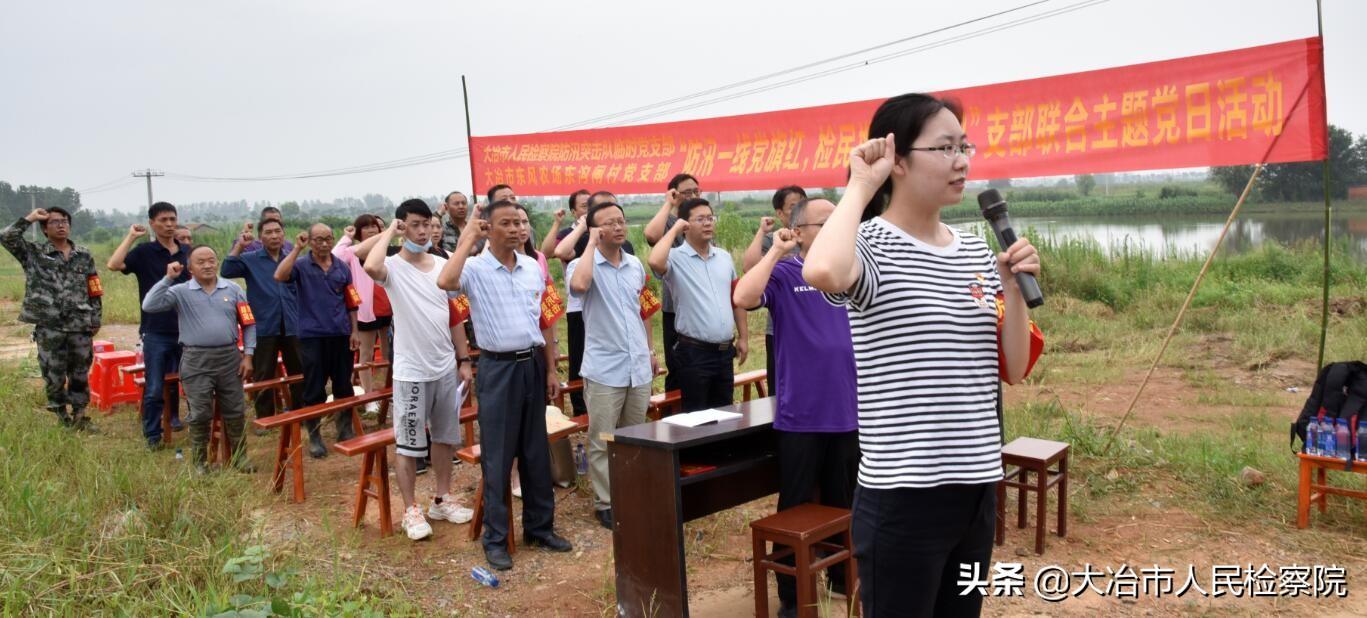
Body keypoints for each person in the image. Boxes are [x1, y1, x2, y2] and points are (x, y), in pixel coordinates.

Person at [802, 93, 1041, 617]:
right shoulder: (871, 245)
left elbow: (1016, 368)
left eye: (965, 146)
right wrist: (862, 184)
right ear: (900, 161)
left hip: (976, 485)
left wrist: (1015, 292)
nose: (962, 160)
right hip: (903, 495)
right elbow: (821, 271)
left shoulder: (977, 248)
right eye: (945, 147)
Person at [733, 198, 857, 615]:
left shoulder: (849, 271)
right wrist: (775, 250)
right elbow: (744, 296)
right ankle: (792, 594)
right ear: (798, 230)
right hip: (802, 413)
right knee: (796, 505)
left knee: (845, 499)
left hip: (849, 410)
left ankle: (843, 578)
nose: (837, 227)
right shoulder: (787, 273)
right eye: (826, 222)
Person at [437, 200, 572, 571]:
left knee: (535, 453)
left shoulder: (532, 267)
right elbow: (446, 282)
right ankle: (495, 540)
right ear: (488, 228)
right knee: (497, 457)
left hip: (532, 364)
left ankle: (540, 528)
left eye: (520, 223)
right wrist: (467, 240)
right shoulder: (476, 268)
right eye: (506, 223)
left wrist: (550, 369)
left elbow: (543, 322)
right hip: (497, 368)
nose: (516, 229)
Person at [364, 199, 475, 541]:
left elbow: (454, 315)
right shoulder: (392, 268)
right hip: (411, 371)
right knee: (410, 443)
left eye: (427, 224)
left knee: (444, 437)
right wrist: (388, 233)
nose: (423, 230)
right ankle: (411, 508)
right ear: (401, 226)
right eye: (414, 224)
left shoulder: (442, 262)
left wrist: (464, 359)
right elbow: (369, 266)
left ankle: (441, 498)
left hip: (444, 367)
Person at [568, 200, 658, 530]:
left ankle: (632, 491)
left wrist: (649, 351)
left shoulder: (634, 265)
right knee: (604, 438)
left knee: (635, 435)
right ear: (596, 229)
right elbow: (579, 287)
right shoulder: (581, 265)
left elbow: (642, 311)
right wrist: (590, 243)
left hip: (636, 364)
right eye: (610, 223)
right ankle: (606, 501)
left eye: (621, 221)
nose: (618, 227)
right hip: (605, 368)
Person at [142, 246, 256, 474]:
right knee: (201, 412)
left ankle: (240, 457)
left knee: (235, 409)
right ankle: (200, 462)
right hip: (196, 359)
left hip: (229, 358)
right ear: (190, 267)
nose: (207, 265)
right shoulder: (181, 291)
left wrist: (248, 355)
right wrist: (167, 278)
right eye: (200, 262)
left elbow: (249, 323)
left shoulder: (233, 289)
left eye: (211, 260)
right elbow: (149, 305)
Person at [1, 207, 102, 431]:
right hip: (49, 325)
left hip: (79, 324)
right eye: (55, 222)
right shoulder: (34, 252)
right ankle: (61, 417)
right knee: (53, 374)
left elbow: (94, 288)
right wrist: (31, 218)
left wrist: (95, 317)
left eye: (65, 221)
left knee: (80, 373)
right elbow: (6, 237)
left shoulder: (83, 255)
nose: (61, 225)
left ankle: (80, 415)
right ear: (45, 229)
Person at [647, 197, 748, 412]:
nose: (708, 223)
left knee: (725, 414)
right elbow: (654, 261)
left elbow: (736, 299)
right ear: (685, 225)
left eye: (710, 218)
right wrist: (674, 230)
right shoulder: (674, 257)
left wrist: (744, 337)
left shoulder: (724, 257)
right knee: (697, 417)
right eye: (700, 219)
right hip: (694, 353)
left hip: (724, 351)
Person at [273, 223, 361, 458]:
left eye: (328, 239)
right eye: (318, 239)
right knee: (314, 387)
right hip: (312, 336)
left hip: (340, 333)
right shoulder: (301, 266)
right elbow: (280, 275)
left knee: (343, 384)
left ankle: (345, 430)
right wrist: (295, 250)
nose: (324, 244)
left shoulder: (342, 267)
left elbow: (352, 302)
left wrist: (354, 331)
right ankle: (315, 436)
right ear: (310, 241)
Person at [107, 201, 189, 449]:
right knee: (154, 386)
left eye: (172, 219)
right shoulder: (144, 253)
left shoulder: (186, 252)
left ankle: (179, 420)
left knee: (188, 381)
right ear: (152, 223)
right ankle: (152, 434)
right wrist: (131, 236)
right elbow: (114, 264)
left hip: (186, 328)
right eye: (163, 220)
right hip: (156, 330)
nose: (169, 224)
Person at [221, 217, 306, 425]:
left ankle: (301, 413)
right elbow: (227, 270)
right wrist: (240, 246)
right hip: (264, 324)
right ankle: (265, 418)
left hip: (292, 323)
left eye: (278, 231)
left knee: (298, 370)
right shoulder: (251, 258)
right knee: (263, 373)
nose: (274, 236)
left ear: (283, 234)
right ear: (260, 237)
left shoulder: (291, 258)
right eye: (268, 232)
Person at [743, 185, 807, 393]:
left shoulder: (816, 237)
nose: (800, 210)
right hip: (781, 328)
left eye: (803, 204)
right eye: (793, 206)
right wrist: (763, 232)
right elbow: (749, 268)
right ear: (780, 213)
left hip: (814, 325)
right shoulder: (774, 240)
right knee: (781, 389)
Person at [642, 173, 701, 393]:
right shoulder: (669, 222)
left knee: (700, 368)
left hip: (702, 307)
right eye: (687, 192)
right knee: (678, 369)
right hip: (675, 309)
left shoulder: (702, 221)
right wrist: (669, 203)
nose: (693, 195)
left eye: (697, 191)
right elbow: (650, 235)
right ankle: (674, 420)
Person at [334, 214, 391, 415]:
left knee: (389, 353)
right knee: (366, 355)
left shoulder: (387, 251)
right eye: (366, 227)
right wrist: (346, 237)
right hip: (366, 309)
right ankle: (369, 397)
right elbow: (336, 255)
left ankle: (388, 394)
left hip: (389, 307)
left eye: (374, 226)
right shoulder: (353, 252)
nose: (371, 230)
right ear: (358, 232)